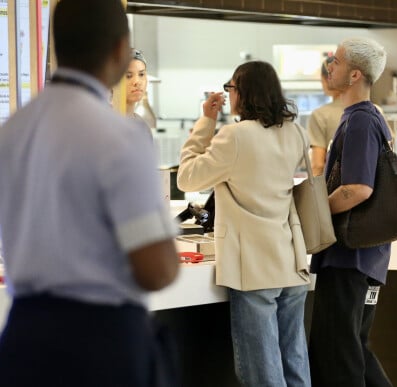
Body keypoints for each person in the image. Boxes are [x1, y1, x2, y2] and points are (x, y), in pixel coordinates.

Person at [0, 1, 180, 386]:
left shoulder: (12, 131)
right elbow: (156, 269)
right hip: (99, 340)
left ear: (57, 45)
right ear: (119, 50)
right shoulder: (120, 136)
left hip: (22, 337)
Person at [177, 61, 311, 387]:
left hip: (253, 265)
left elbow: (187, 176)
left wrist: (206, 121)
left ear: (244, 92)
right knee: (293, 359)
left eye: (230, 87)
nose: (228, 94)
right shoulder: (294, 131)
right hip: (291, 259)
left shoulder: (235, 135)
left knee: (261, 370)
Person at [308, 37, 394, 387]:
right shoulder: (370, 117)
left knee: (339, 353)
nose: (331, 65)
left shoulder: (359, 120)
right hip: (364, 257)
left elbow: (358, 188)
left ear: (355, 74)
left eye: (337, 61)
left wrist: (315, 211)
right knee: (354, 348)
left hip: (349, 257)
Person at [307, 55, 344, 176]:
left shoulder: (320, 115)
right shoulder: (376, 110)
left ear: (327, 79)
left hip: (336, 188)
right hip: (372, 189)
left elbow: (318, 165)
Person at [126, 48, 155, 130]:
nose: (137, 82)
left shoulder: (142, 127)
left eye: (141, 74)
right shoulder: (105, 123)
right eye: (128, 76)